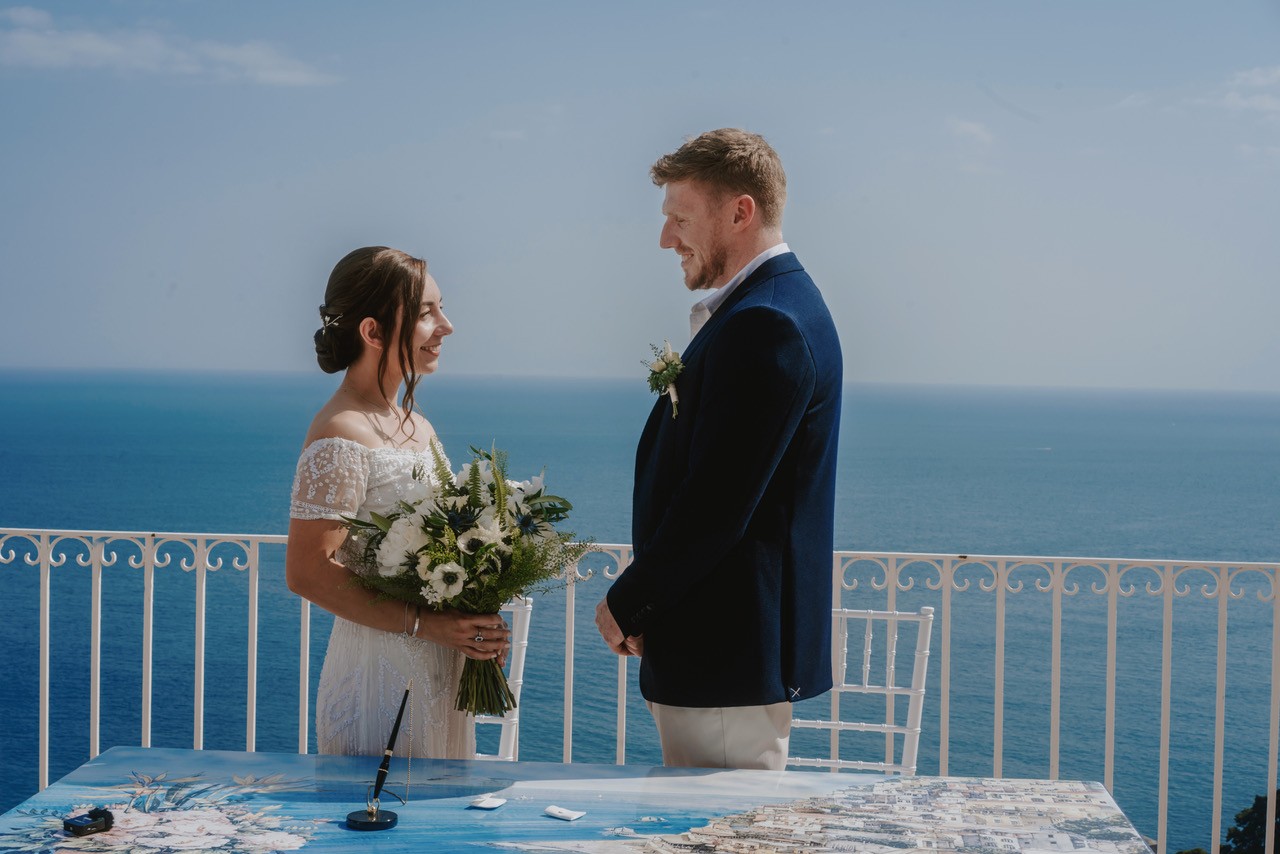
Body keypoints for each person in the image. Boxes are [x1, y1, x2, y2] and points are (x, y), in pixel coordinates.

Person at [594, 129, 843, 770]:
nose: (665, 238)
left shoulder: (769, 324)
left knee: (723, 833)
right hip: (722, 648)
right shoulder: (773, 308)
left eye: (681, 218)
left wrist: (628, 601)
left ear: (740, 212)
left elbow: (718, 501)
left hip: (727, 651)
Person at [286, 246, 510, 759]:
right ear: (373, 332)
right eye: (427, 313)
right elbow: (307, 572)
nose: (446, 326)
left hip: (440, 670)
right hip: (378, 678)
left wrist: (475, 616)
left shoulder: (417, 425)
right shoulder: (342, 433)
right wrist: (428, 625)